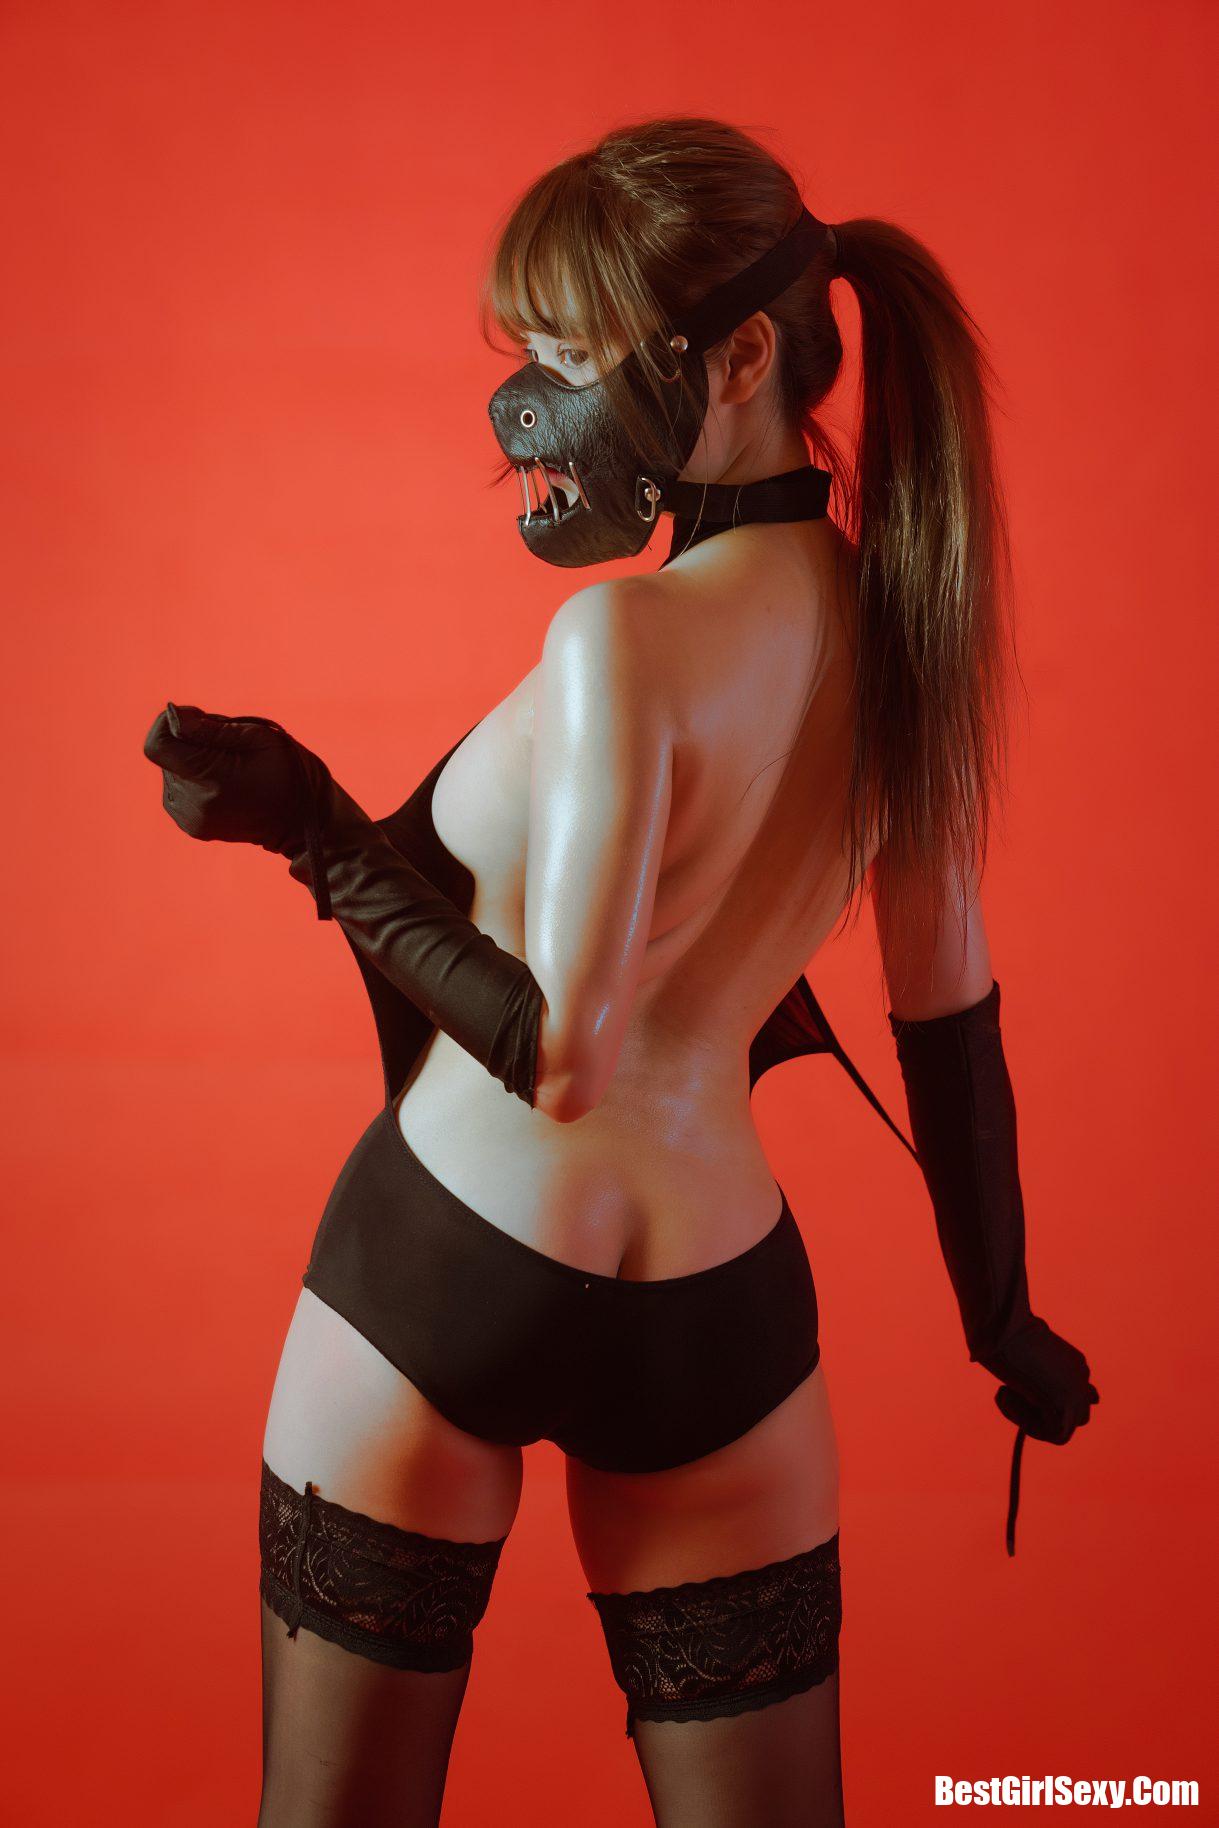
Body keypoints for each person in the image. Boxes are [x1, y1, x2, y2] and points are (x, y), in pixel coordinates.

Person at [143, 117, 1097, 1828]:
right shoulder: (901, 640)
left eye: (575, 356)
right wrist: (1001, 1317)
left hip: (451, 1262)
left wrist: (317, 830)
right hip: (722, 1313)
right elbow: (947, 1015)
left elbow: (564, 1053)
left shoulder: (622, 640)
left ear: (738, 360)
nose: (535, 401)